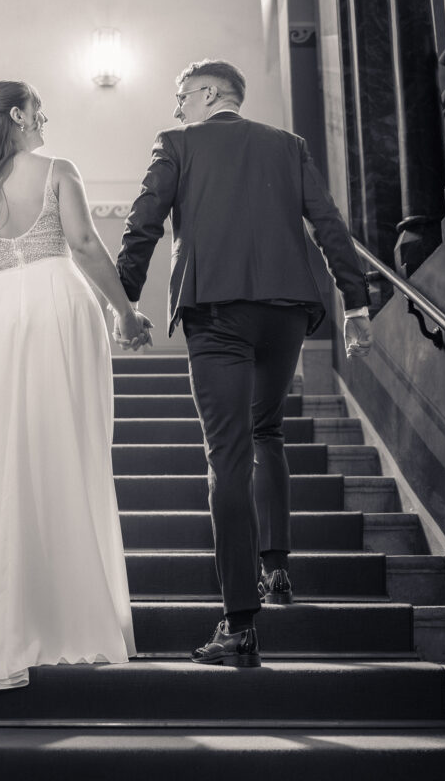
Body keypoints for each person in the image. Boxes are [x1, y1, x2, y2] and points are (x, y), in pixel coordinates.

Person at [114, 59, 372, 669]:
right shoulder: (288, 145)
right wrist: (356, 303)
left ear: (208, 93)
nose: (176, 108)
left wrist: (123, 300)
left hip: (217, 310)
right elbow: (329, 223)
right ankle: (276, 571)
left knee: (226, 454)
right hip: (287, 309)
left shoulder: (174, 144)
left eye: (181, 96)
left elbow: (142, 222)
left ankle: (239, 626)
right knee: (268, 432)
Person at [0, 80, 144, 691]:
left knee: (1, 460)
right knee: (70, 452)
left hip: (3, 314)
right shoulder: (58, 169)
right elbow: (88, 246)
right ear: (18, 114)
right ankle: (73, 617)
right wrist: (124, 311)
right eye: (39, 108)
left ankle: (6, 618)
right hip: (62, 305)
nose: (46, 117)